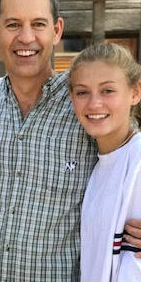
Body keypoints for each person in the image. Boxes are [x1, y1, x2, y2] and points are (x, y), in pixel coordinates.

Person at [0, 0, 141, 281]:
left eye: (38, 24)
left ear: (57, 31)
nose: (26, 38)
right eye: (13, 24)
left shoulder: (86, 108)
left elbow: (131, 159)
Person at [69, 43, 141, 282]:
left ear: (135, 92)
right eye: (82, 92)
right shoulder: (98, 167)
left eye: (107, 91)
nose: (94, 104)